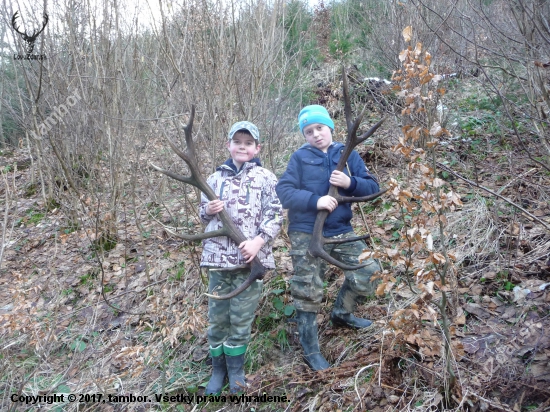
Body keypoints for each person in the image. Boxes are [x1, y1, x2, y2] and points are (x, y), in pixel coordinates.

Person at [275, 105, 381, 371]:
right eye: (308, 131)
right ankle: (311, 351)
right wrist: (315, 200)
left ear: (330, 128)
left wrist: (349, 183)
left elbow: (372, 187)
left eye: (319, 128)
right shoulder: (299, 158)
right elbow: (284, 192)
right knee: (307, 289)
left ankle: (341, 314)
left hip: (340, 231)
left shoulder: (347, 154)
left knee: (370, 272)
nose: (315, 134)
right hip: (306, 232)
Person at [199, 121, 282, 394]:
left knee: (241, 319)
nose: (242, 147)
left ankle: (236, 370)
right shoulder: (213, 180)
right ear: (229, 145)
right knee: (218, 318)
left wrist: (258, 242)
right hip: (219, 262)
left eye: (248, 143)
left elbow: (276, 215)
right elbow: (202, 216)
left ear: (257, 148)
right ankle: (218, 370)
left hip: (250, 265)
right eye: (238, 142)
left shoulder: (267, 178)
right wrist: (210, 209)